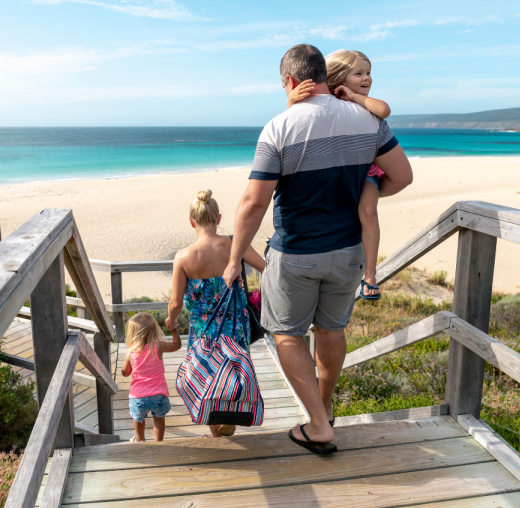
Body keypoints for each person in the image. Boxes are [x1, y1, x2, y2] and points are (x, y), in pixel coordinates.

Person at [223, 44, 412, 454]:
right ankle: (323, 408)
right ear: (327, 77)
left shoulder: (278, 127)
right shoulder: (368, 119)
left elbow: (254, 203)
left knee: (288, 335)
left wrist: (235, 257)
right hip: (348, 251)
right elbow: (403, 176)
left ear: (290, 82)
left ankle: (318, 425)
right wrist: (370, 188)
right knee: (332, 329)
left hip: (296, 254)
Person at [289, 49, 392, 300]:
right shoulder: (327, 104)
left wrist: (355, 96)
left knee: (367, 211)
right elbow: (297, 119)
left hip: (368, 169)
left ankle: (370, 275)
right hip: (344, 169)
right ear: (337, 76)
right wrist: (291, 100)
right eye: (359, 73)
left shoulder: (364, 103)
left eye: (368, 73)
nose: (367, 78)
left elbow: (385, 109)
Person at [166, 189, 266, 437]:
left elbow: (176, 302)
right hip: (235, 326)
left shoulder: (183, 257)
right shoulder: (233, 244)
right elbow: (266, 267)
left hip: (203, 330)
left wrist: (170, 320)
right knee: (235, 371)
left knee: (207, 377)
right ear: (218, 218)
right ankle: (231, 420)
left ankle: (216, 431)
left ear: (192, 222)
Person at [121, 312, 181, 442]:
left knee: (138, 419)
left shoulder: (131, 353)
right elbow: (177, 345)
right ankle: (158, 442)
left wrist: (126, 367)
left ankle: (140, 439)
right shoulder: (158, 346)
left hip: (138, 397)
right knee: (159, 419)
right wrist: (173, 329)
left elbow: (125, 373)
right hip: (158, 394)